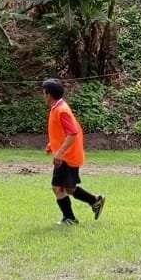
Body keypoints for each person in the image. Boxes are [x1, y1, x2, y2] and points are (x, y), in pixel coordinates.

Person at [43, 78, 104, 225]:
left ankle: (69, 218)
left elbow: (72, 133)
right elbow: (63, 131)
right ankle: (95, 201)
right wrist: (52, 144)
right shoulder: (58, 107)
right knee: (69, 188)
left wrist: (60, 152)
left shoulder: (61, 110)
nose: (43, 96)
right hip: (68, 154)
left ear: (49, 95)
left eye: (44, 93)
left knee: (57, 187)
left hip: (67, 157)